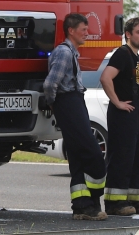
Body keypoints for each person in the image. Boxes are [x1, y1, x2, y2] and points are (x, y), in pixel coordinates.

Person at [44, 13, 107, 220]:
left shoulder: (71, 53)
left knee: (78, 157)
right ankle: (92, 201)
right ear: (71, 31)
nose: (87, 33)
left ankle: (82, 206)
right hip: (68, 103)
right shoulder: (63, 52)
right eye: (83, 29)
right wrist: (55, 104)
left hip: (74, 101)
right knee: (93, 153)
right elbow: (50, 83)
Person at [100, 15, 139, 216]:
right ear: (128, 34)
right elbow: (106, 78)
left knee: (136, 156)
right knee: (122, 157)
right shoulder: (122, 54)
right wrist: (117, 102)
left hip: (137, 113)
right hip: (123, 114)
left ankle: (132, 199)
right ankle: (115, 203)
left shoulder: (135, 56)